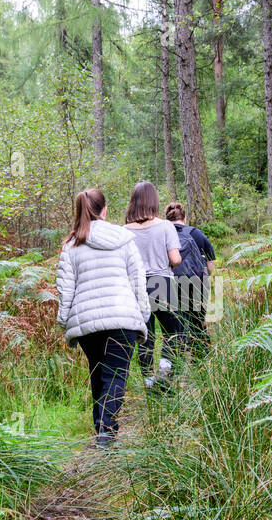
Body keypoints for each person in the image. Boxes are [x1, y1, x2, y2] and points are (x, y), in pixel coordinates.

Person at [56, 188, 150, 446]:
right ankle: (106, 434)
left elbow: (65, 289)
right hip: (121, 319)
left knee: (98, 372)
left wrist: (64, 320)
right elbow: (137, 281)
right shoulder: (124, 237)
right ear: (105, 210)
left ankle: (101, 429)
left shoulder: (72, 245)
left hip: (87, 325)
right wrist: (143, 314)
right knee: (116, 374)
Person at [123, 181, 184, 387]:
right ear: (154, 201)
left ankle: (149, 381)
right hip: (162, 282)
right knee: (175, 330)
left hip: (136, 286)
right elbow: (175, 259)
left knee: (145, 335)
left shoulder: (124, 231)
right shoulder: (165, 226)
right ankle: (165, 369)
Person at [164, 201, 215, 354]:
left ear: (167, 220)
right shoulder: (196, 233)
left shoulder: (163, 234)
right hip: (196, 282)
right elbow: (211, 263)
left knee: (174, 326)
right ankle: (200, 359)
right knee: (197, 321)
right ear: (184, 219)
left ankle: (175, 363)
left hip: (169, 285)